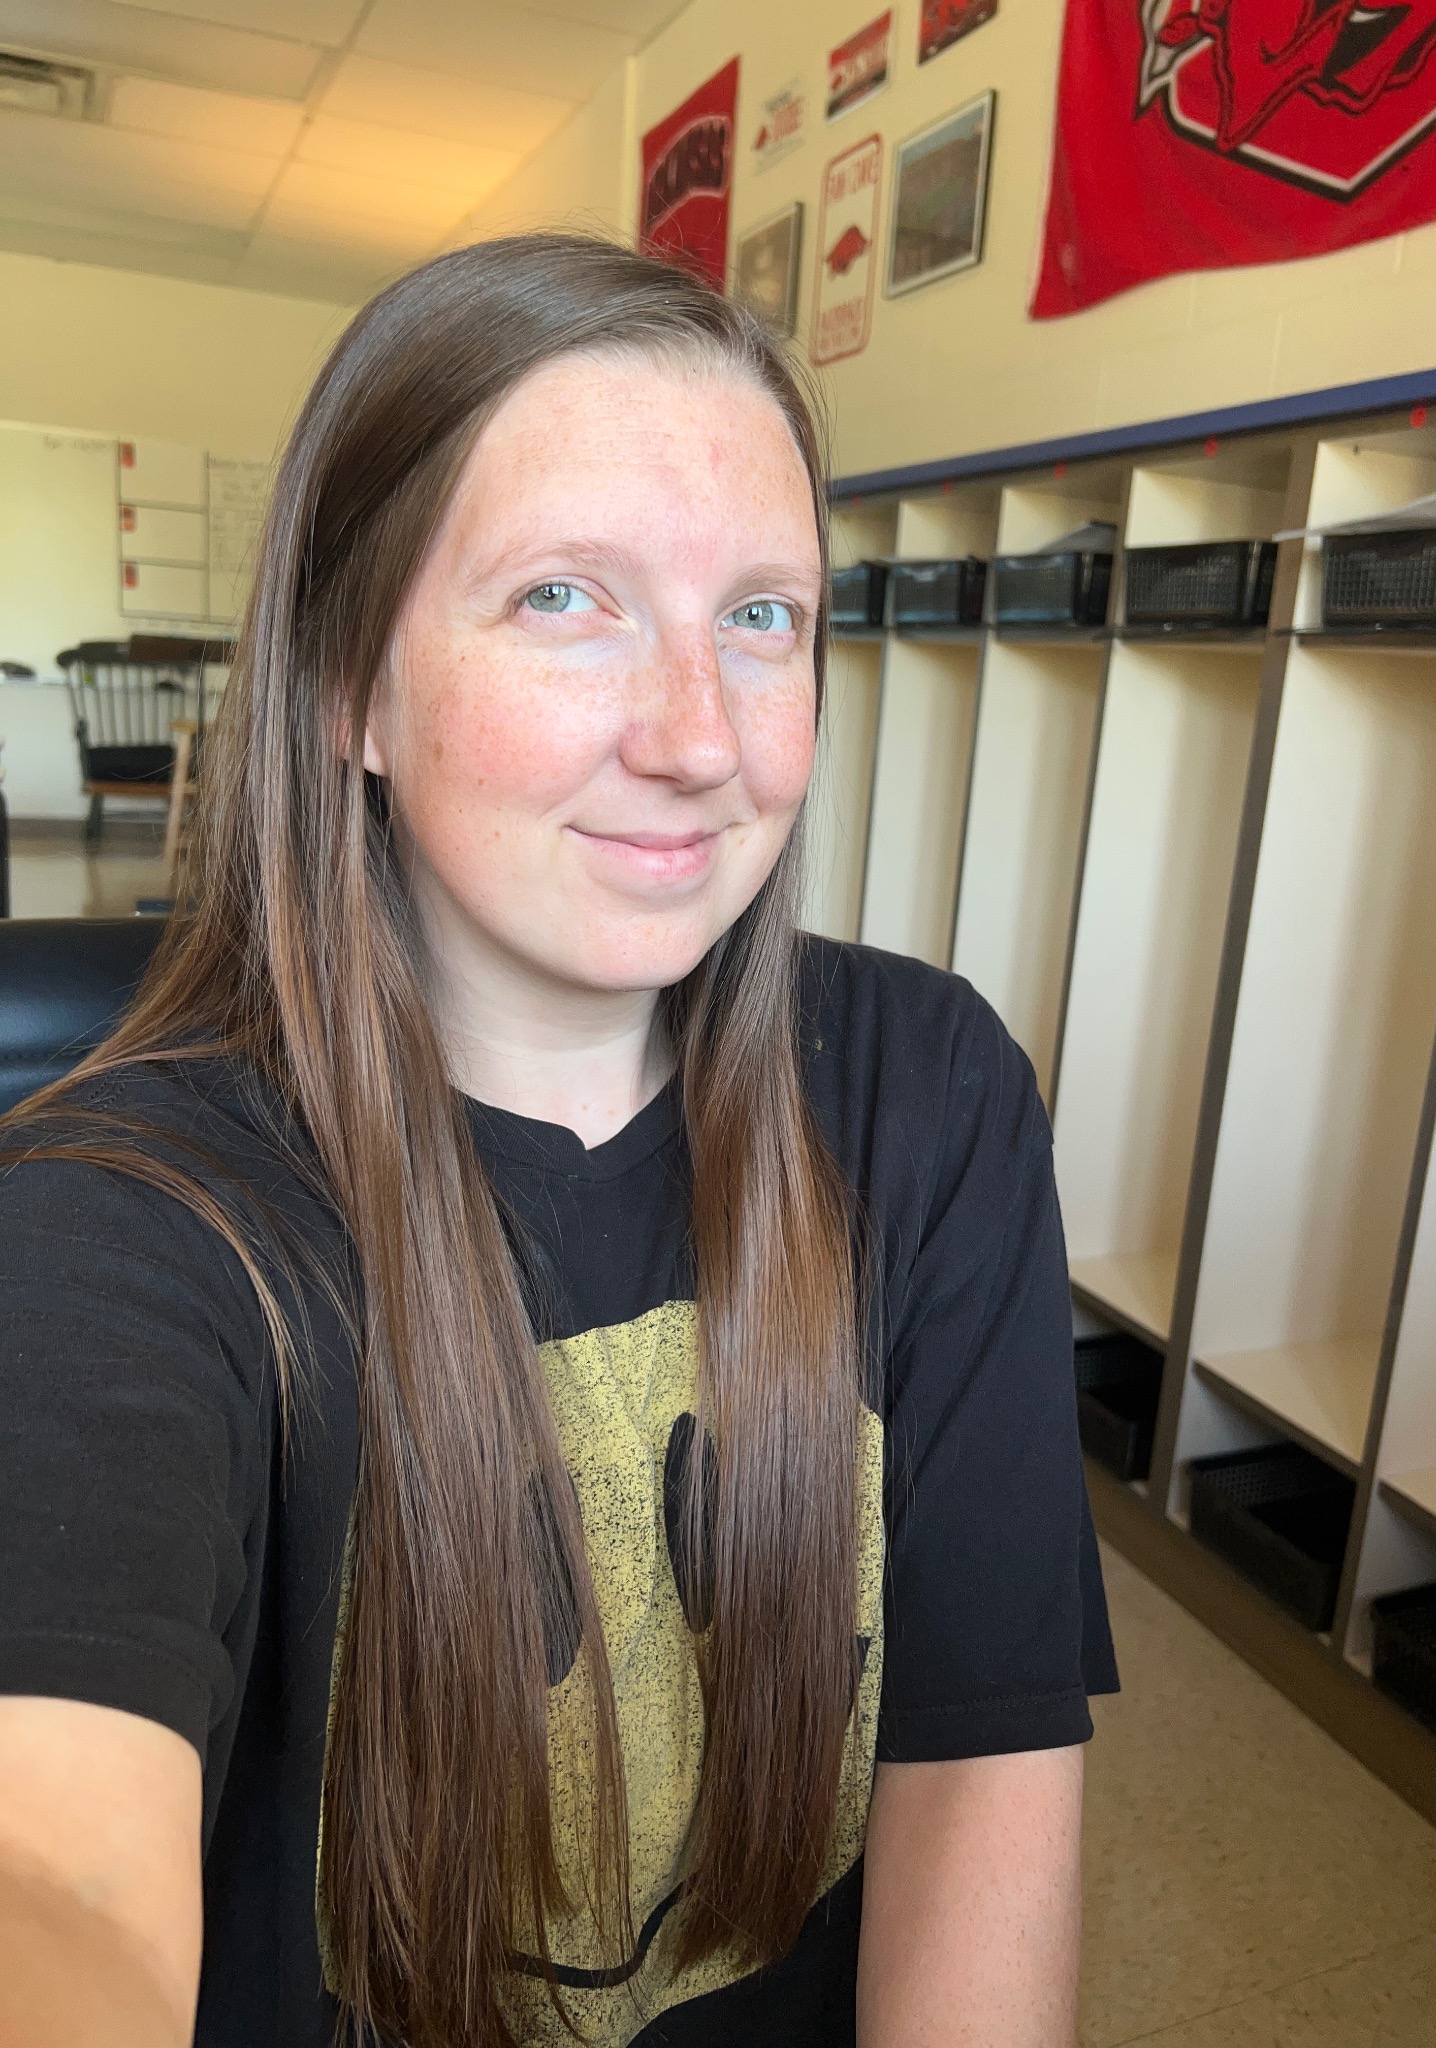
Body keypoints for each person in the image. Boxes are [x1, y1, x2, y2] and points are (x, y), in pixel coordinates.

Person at [0, 235, 1116, 2048]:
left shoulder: (927, 1092)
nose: (699, 739)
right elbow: (55, 1890)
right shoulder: (117, 1234)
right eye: (563, 599)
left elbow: (980, 1767)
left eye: (762, 616)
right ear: (349, 688)